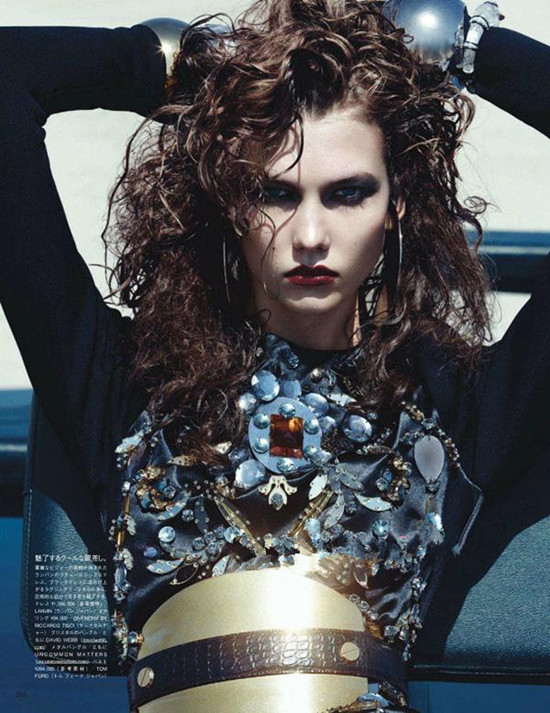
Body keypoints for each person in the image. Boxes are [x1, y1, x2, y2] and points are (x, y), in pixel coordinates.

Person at [1, 0, 549, 711]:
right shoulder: (126, 382)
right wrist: (165, 62)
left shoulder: (462, 404)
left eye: (348, 193)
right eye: (275, 193)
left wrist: (464, 46)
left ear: (397, 204)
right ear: (230, 199)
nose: (311, 234)